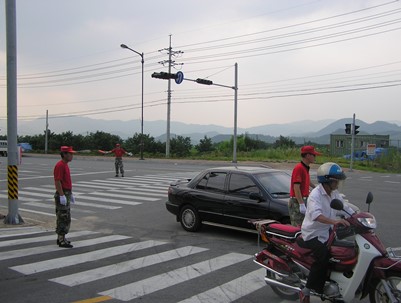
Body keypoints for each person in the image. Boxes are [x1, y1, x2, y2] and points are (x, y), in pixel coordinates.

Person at [299, 162, 352, 303]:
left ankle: (333, 284)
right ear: (328, 181)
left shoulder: (334, 193)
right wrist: (335, 222)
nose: (338, 184)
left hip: (327, 231)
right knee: (323, 256)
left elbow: (344, 208)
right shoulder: (315, 195)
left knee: (341, 252)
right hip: (312, 233)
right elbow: (317, 216)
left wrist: (357, 217)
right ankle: (309, 289)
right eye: (336, 181)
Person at [288, 145, 321, 226]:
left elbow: (307, 181)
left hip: (303, 200)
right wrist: (301, 204)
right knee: (298, 226)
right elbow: (296, 188)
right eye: (314, 155)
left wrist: (316, 187)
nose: (315, 157)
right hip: (297, 201)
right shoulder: (299, 168)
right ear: (307, 155)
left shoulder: (305, 167)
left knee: (305, 226)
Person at [53, 146, 76, 248]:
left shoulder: (65, 165)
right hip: (62, 194)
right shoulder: (60, 165)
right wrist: (62, 195)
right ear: (64, 154)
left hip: (66, 193)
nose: (72, 156)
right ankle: (61, 240)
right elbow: (57, 181)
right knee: (63, 217)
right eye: (70, 154)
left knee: (65, 216)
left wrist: (70, 194)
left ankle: (61, 238)